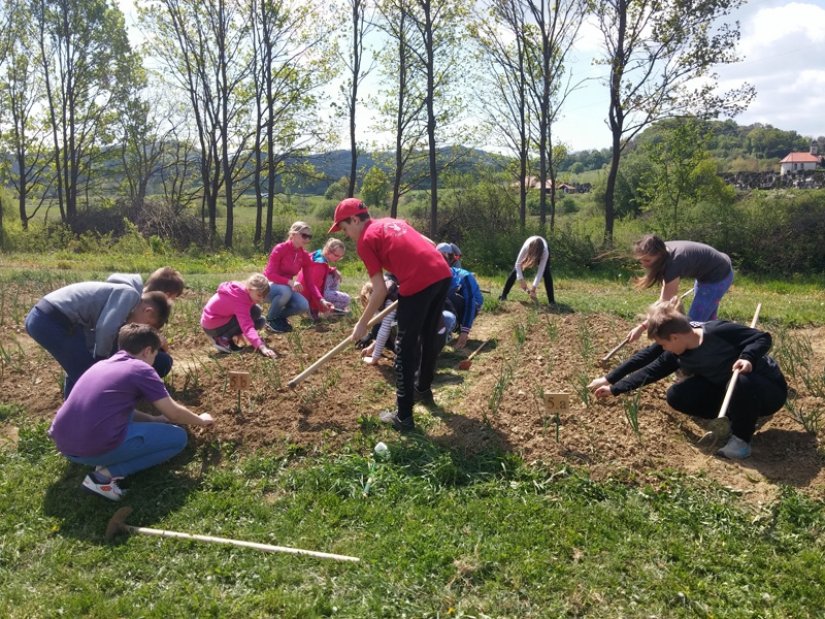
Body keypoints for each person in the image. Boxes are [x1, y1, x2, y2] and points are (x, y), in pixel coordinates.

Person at [593, 298, 788, 459]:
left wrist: (747, 358)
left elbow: (762, 338)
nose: (663, 349)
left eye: (663, 344)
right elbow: (651, 371)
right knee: (677, 395)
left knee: (740, 380)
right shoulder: (677, 352)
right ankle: (732, 417)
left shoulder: (718, 331)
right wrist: (614, 388)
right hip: (726, 388)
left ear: (675, 337)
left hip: (767, 390)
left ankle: (741, 441)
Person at [48, 323, 214, 500]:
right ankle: (102, 477)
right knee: (178, 438)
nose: (154, 360)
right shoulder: (140, 368)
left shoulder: (102, 365)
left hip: (66, 445)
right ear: (147, 351)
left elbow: (120, 411)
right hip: (92, 447)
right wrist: (201, 420)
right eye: (155, 354)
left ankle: (105, 458)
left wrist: (153, 419)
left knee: (119, 419)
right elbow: (174, 413)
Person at [329, 197, 451, 431]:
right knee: (428, 336)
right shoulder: (391, 222)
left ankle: (403, 417)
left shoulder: (365, 240)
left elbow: (380, 289)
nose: (346, 234)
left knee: (404, 348)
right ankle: (423, 390)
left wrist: (362, 324)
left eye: (345, 228)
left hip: (418, 282)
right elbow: (428, 242)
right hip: (442, 273)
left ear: (355, 220)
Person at [25, 281, 171, 396]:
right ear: (148, 310)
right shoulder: (129, 295)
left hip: (45, 318)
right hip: (50, 321)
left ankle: (72, 409)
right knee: (88, 375)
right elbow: (105, 329)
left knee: (80, 367)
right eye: (148, 325)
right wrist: (102, 363)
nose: (142, 329)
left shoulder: (125, 300)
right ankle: (81, 417)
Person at [627, 235, 734, 342]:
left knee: (692, 324)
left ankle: (690, 353)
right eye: (641, 260)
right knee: (706, 319)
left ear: (659, 255)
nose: (643, 264)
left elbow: (666, 303)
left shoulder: (673, 262)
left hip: (718, 276)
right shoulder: (662, 251)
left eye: (647, 260)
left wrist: (642, 328)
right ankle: (715, 344)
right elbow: (664, 299)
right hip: (707, 273)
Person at [107, 266, 186, 377]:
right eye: (174, 298)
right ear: (167, 295)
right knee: (163, 361)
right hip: (110, 349)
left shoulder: (134, 296)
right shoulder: (137, 304)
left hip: (106, 346)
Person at [263, 221, 334, 333]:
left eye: (309, 237)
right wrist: (290, 282)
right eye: (304, 235)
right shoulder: (280, 249)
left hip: (285, 288)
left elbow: (310, 283)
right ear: (293, 234)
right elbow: (270, 274)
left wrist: (321, 300)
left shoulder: (304, 256)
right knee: (285, 290)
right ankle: (271, 319)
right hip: (267, 287)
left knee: (303, 305)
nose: (307, 239)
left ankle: (278, 318)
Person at [200, 274, 277, 358]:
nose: (261, 299)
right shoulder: (240, 301)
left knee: (257, 314)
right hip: (212, 326)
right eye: (259, 295)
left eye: (264, 296)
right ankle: (222, 339)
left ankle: (227, 336)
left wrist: (239, 333)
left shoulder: (242, 290)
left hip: (214, 321)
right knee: (254, 316)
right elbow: (246, 326)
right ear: (250, 289)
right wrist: (261, 346)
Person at [436, 242, 483, 350]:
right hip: (451, 304)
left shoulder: (464, 276)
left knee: (446, 296)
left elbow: (470, 302)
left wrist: (464, 332)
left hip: (471, 305)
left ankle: (453, 325)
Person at [296, 238, 351, 318]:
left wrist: (333, 270)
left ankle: (330, 306)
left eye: (340, 257)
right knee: (347, 299)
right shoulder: (319, 266)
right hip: (307, 297)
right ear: (328, 251)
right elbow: (313, 288)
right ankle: (330, 312)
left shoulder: (317, 255)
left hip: (302, 294)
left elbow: (323, 269)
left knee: (334, 276)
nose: (338, 259)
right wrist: (315, 308)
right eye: (336, 256)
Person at [499, 235, 555, 305]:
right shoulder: (526, 247)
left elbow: (540, 272)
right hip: (530, 248)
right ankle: (503, 296)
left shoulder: (545, 252)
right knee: (515, 271)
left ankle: (552, 301)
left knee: (546, 272)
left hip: (542, 251)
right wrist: (521, 280)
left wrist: (533, 289)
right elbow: (517, 264)